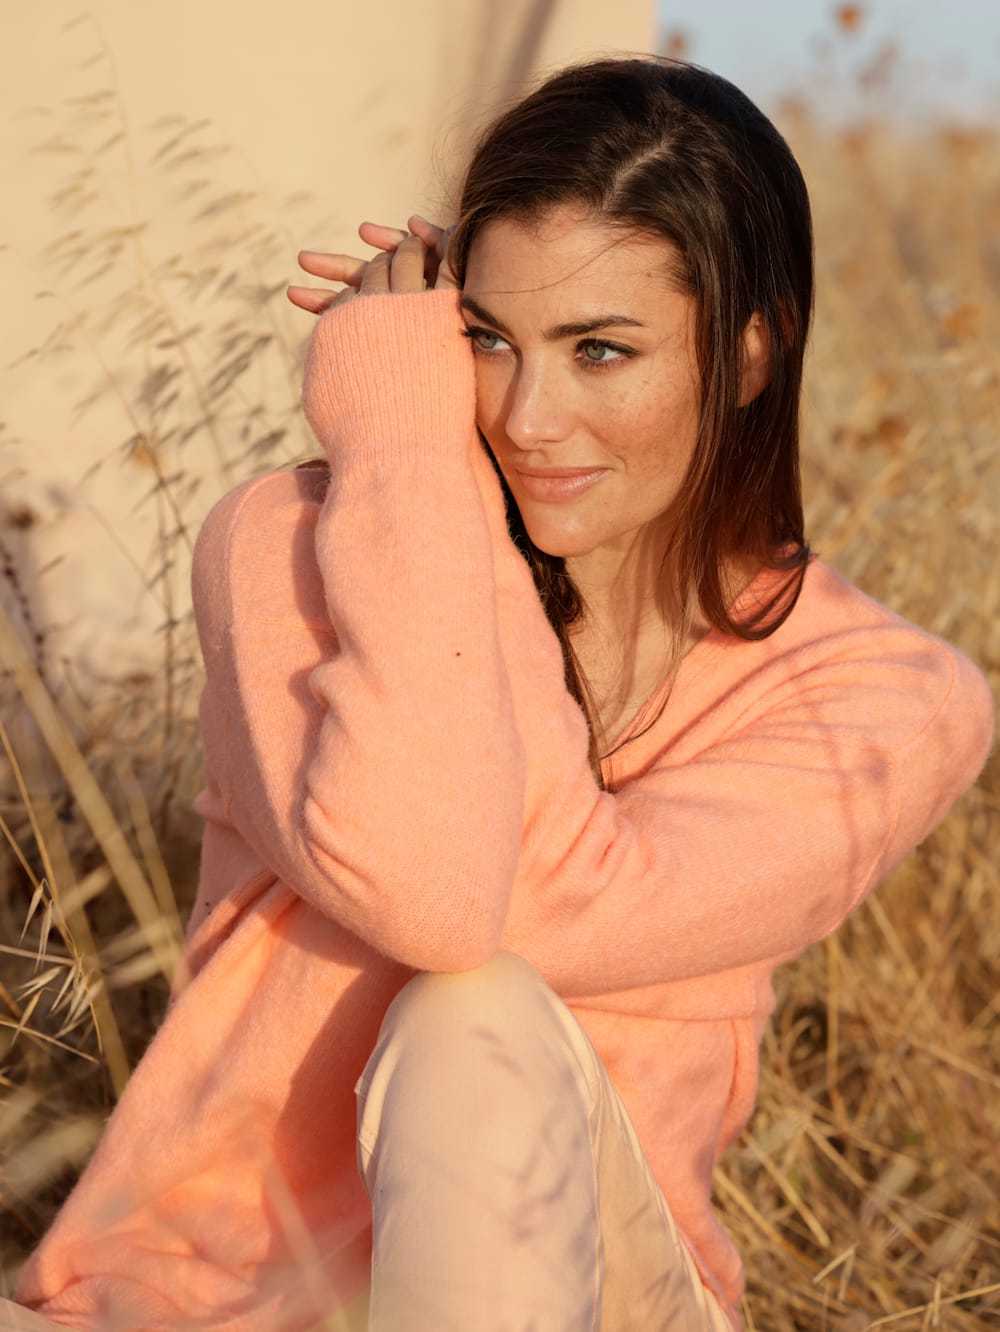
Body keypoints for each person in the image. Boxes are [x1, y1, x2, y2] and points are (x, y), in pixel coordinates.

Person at [5, 56, 993, 1332]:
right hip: (213, 1303)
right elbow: (436, 863)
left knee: (473, 1017)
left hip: (602, 1299)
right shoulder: (289, 549)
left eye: (600, 350)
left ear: (751, 355)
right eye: (486, 340)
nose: (526, 419)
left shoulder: (881, 696)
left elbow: (464, 911)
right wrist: (416, 464)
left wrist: (416, 454)